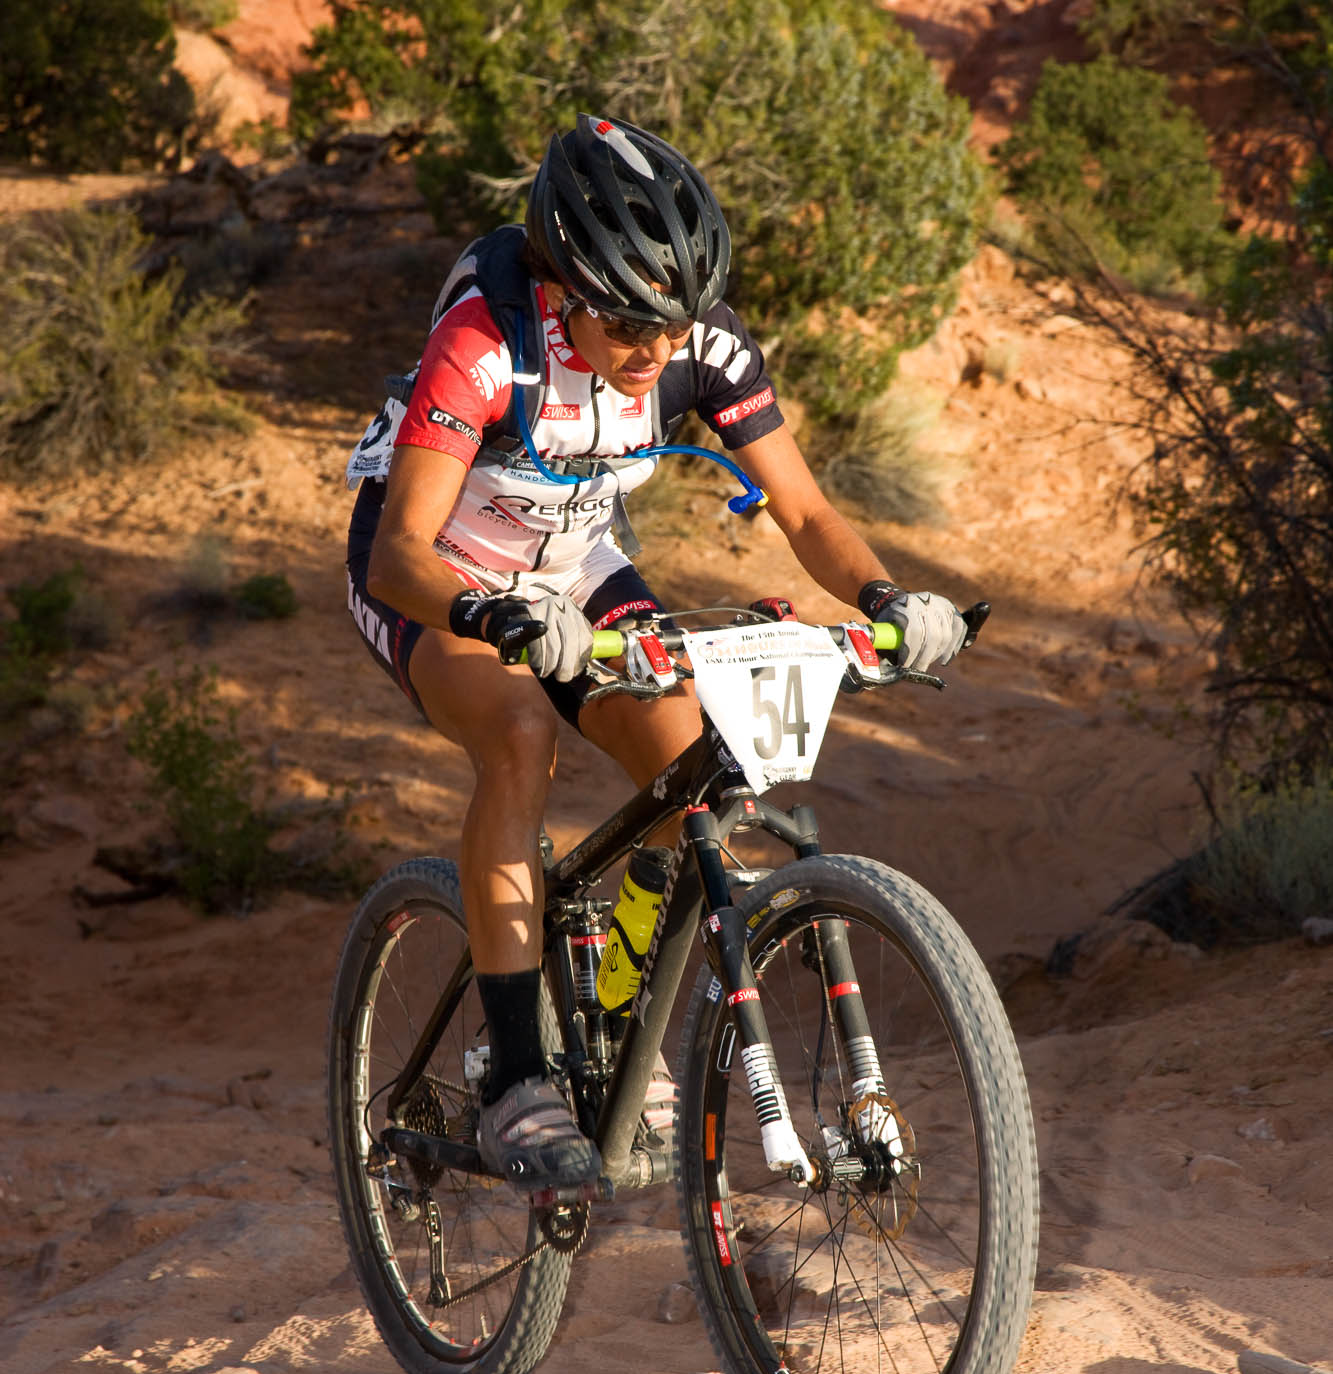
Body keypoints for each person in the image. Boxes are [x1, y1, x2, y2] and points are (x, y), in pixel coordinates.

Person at [345, 113, 966, 1192]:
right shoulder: (486, 343)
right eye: (631, 325)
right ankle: (516, 1081)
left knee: (698, 767)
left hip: (575, 564)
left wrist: (887, 597)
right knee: (519, 732)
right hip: (438, 567)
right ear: (564, 287)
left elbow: (806, 509)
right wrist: (491, 618)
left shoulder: (698, 343)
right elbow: (400, 551)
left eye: (674, 325)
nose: (657, 355)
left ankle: (616, 1014)